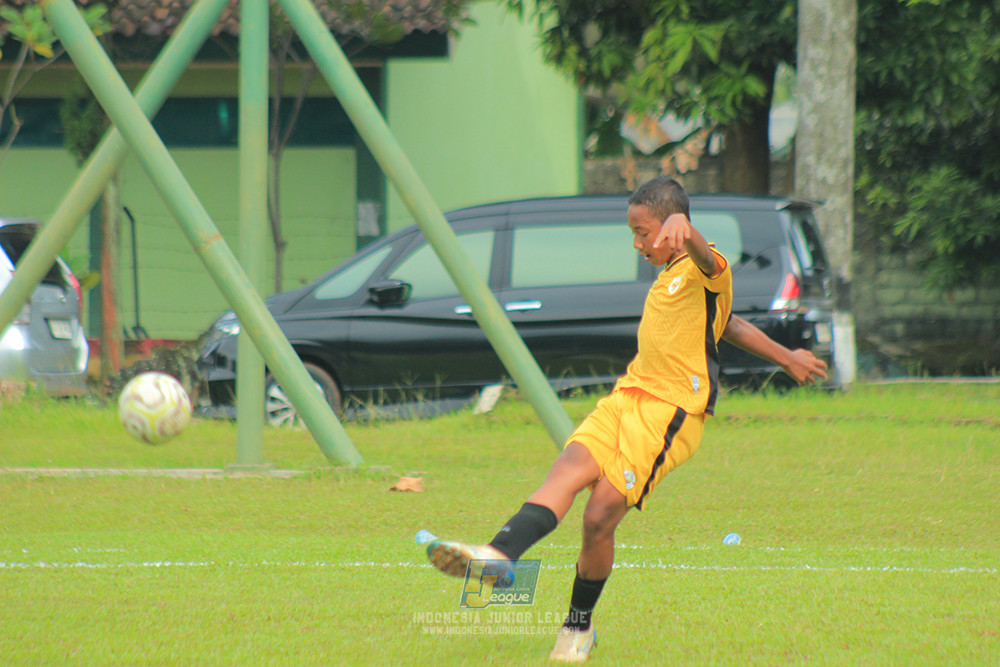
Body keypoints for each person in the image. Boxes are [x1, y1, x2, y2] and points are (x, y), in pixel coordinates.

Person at [424, 176, 828, 662]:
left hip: (671, 413)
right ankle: (498, 554)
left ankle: (578, 626)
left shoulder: (707, 266)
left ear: (674, 227)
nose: (637, 244)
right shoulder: (670, 276)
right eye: (633, 234)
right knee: (568, 468)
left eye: (644, 232)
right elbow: (729, 323)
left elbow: (707, 262)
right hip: (626, 397)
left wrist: (689, 230)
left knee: (598, 519)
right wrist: (786, 356)